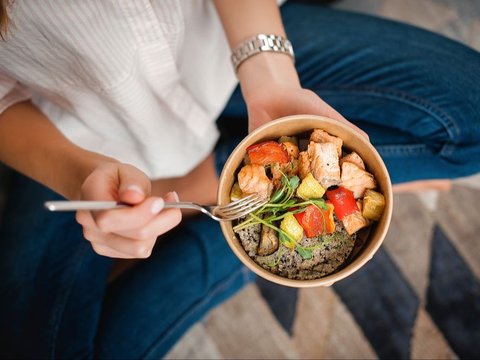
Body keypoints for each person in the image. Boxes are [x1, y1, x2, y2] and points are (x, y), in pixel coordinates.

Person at [0, 0, 479, 358]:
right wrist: (79, 174)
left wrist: (272, 80)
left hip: (230, 50)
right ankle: (226, 228)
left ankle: (209, 199)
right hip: (79, 133)